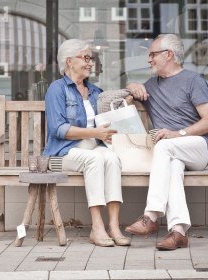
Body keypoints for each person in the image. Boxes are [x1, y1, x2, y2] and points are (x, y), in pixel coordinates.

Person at [125, 34, 208, 250]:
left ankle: (151, 215)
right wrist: (132, 85)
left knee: (165, 146)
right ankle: (178, 232)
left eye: (153, 55)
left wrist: (178, 134)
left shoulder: (194, 81)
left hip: (198, 147)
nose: (149, 59)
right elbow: (125, 96)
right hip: (173, 153)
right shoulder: (151, 85)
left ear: (169, 55)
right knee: (173, 167)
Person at [43, 39, 130, 247]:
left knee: (111, 158)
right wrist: (95, 132)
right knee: (94, 160)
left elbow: (110, 113)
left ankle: (114, 226)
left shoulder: (94, 92)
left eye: (91, 58)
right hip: (61, 153)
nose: (90, 63)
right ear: (69, 61)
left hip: (92, 148)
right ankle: (97, 228)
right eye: (86, 58)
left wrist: (130, 94)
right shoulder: (57, 89)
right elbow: (59, 129)